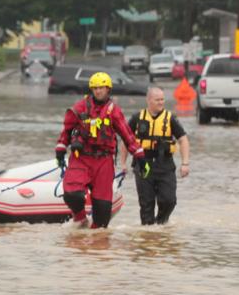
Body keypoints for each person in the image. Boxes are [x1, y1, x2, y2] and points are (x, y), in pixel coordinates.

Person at [55, 71, 145, 229]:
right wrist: (61, 148)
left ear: (108, 89)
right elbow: (67, 130)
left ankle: (95, 246)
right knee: (72, 194)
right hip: (81, 157)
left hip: (104, 161)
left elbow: (127, 135)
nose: (98, 91)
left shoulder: (114, 111)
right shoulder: (80, 107)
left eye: (101, 88)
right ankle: (80, 219)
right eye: (95, 88)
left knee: (102, 216)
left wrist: (139, 155)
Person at [122, 86, 190, 225]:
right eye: (157, 100)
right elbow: (125, 141)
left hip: (164, 164)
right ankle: (149, 237)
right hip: (143, 164)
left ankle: (161, 225)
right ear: (148, 101)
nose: (161, 102)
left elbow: (183, 140)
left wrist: (185, 163)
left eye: (162, 99)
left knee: (169, 201)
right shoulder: (137, 118)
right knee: (146, 204)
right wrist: (123, 163)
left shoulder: (170, 118)